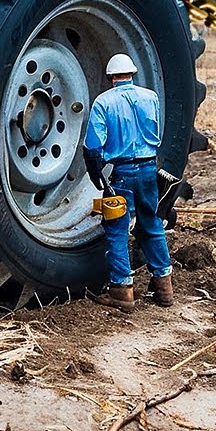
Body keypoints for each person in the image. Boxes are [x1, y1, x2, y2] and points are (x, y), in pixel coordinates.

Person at [83, 53, 173, 313]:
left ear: (111, 77)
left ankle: (122, 291)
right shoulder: (151, 97)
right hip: (148, 169)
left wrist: (97, 176)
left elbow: (92, 147)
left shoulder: (104, 102)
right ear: (133, 73)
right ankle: (164, 286)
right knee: (152, 223)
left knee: (117, 229)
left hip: (123, 172)